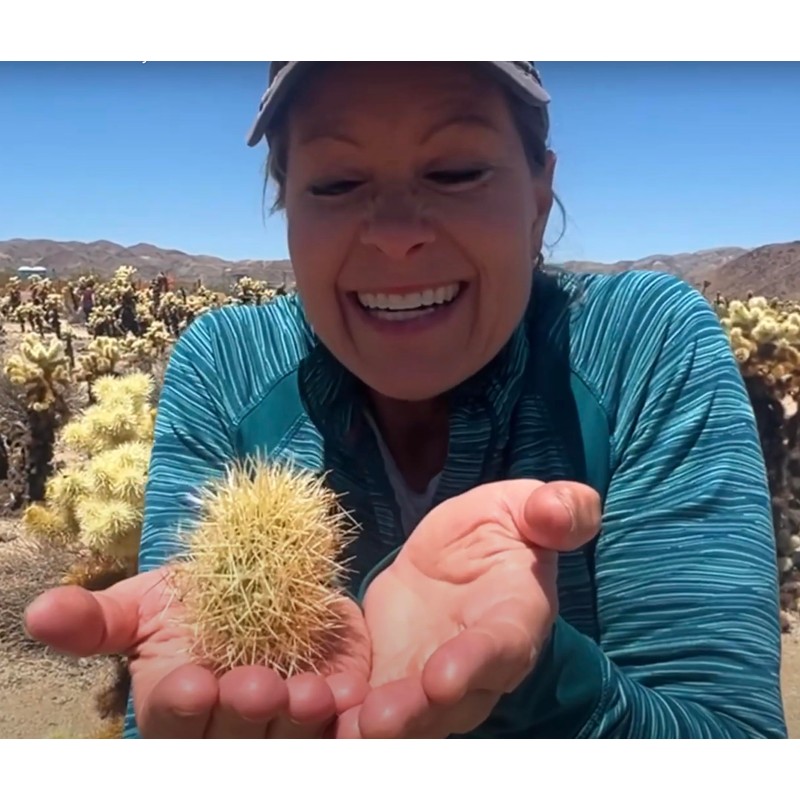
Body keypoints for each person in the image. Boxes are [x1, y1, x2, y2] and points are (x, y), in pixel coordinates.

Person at [24, 61, 787, 739]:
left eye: (455, 171)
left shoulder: (642, 345)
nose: (394, 235)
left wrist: (540, 679)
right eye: (336, 183)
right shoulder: (224, 365)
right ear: (287, 204)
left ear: (538, 194)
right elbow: (173, 703)